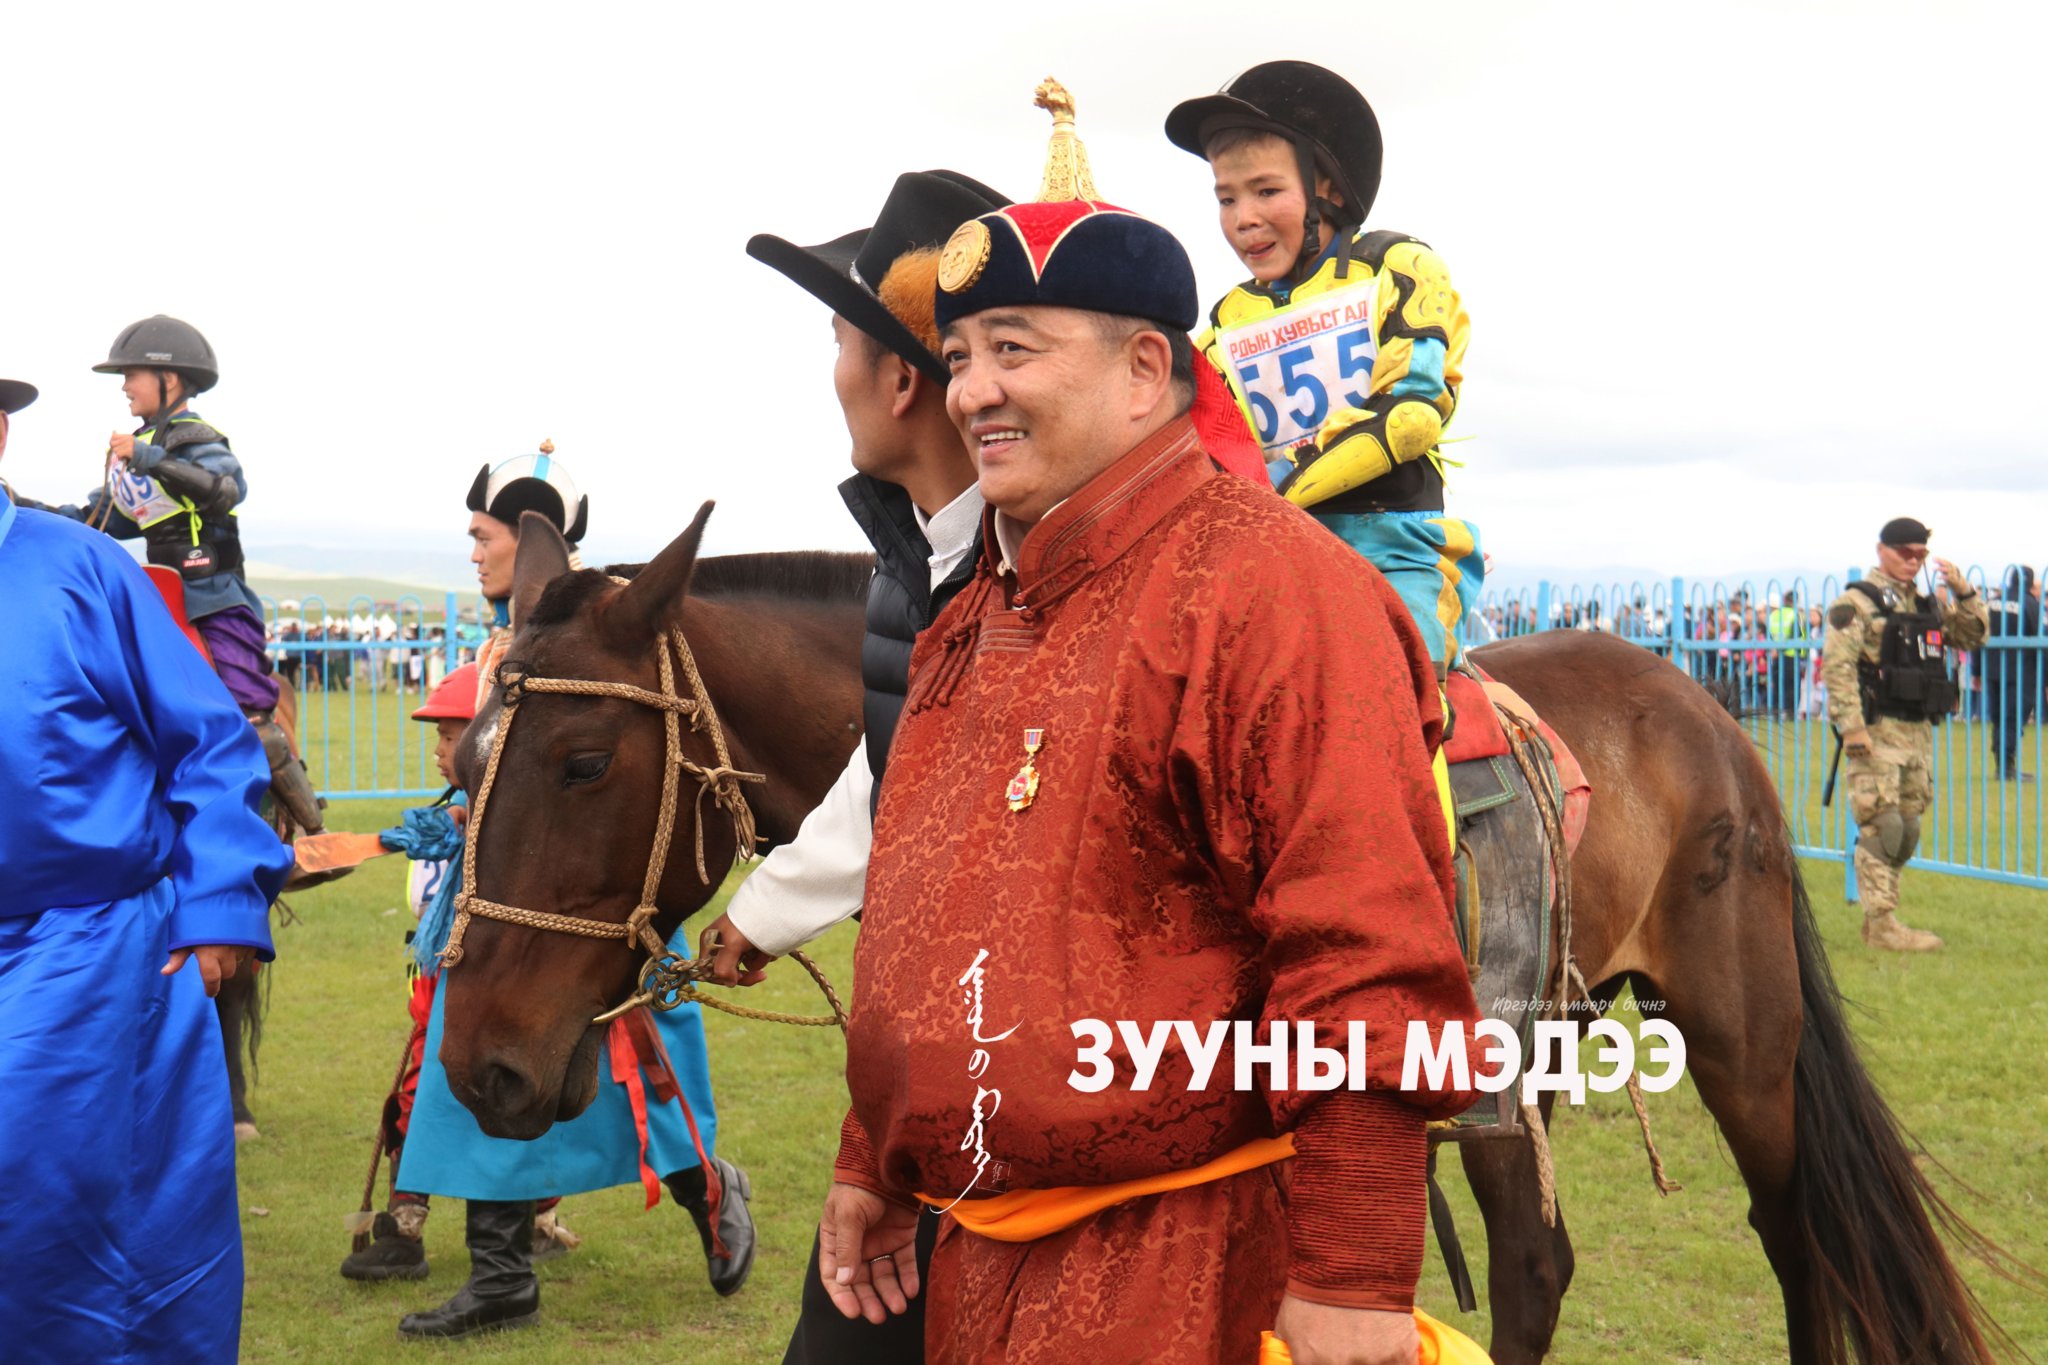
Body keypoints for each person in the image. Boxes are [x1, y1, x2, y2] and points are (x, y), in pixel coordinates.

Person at [817, 162, 1482, 1360]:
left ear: (1142, 372)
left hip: (1184, 1268)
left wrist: (1353, 1272)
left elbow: (1365, 951)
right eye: (960, 356)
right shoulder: (976, 609)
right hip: (973, 1260)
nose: (972, 392)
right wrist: (877, 1151)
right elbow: (922, 910)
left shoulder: (1271, 593)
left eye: (1012, 349)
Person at [696, 166, 1011, 1363]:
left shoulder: (1015, 568)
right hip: (921, 1084)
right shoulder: (911, 561)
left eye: (838, 337)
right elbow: (898, 768)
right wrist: (771, 910)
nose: (830, 372)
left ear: (897, 374)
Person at [383, 451, 756, 1340]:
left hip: (584, 900)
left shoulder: (585, 643)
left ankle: (711, 1187)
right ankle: (502, 1273)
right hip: (503, 896)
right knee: (474, 1063)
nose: (474, 552)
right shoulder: (506, 644)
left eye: (484, 535)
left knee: (647, 1081)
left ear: (530, 535)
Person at [0, 371, 294, 1362]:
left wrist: (216, 907)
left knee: (49, 1208)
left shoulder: (85, 568)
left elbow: (210, 744)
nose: (127, 386)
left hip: (77, 947)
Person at [1166, 61, 1481, 673]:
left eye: (1265, 191)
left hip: (1392, 549)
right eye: (1225, 198)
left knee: (1393, 702)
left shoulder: (1399, 265)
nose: (1242, 218)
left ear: (1329, 191)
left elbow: (1413, 417)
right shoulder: (1229, 317)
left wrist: (1278, 494)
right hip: (1270, 557)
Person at [52, 317, 327, 834]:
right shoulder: (137, 451)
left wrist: (151, 457)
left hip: (215, 598)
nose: (125, 387)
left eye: (131, 375)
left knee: (252, 716)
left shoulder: (195, 437)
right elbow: (101, 519)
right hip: (159, 600)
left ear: (169, 381)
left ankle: (312, 836)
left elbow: (225, 489)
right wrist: (21, 506)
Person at [339, 663, 482, 1283]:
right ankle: (404, 1229)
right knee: (412, 1096)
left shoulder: (506, 818)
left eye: (452, 738)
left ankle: (528, 1220)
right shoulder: (457, 813)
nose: (438, 752)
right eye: (440, 737)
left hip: (483, 982)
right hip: (440, 981)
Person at [1822, 517, 1988, 952]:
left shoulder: (1925, 605)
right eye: (1905, 553)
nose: (1914, 562)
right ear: (1882, 550)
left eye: (1921, 554)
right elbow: (1837, 668)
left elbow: (1974, 635)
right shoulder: (1858, 603)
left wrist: (1963, 591)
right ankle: (1882, 925)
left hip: (1917, 734)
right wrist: (1852, 727)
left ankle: (1883, 919)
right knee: (1884, 826)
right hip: (1876, 731)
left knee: (1908, 829)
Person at [1985, 566, 2040, 781]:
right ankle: (2006, 766)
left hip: (1993, 668)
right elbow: (2040, 640)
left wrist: (1979, 671)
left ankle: (2002, 762)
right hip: (2020, 670)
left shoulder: (1993, 601)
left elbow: (1980, 634)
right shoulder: (2029, 603)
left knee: (1999, 717)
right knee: (2013, 717)